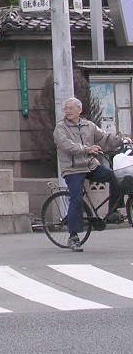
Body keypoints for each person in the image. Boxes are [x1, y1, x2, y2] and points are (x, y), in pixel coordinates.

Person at [53, 96, 129, 251]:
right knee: (76, 199)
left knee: (114, 177)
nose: (67, 111)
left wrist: (122, 140)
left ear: (79, 110)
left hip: (91, 166)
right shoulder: (61, 128)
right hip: (73, 169)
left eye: (71, 108)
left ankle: (112, 211)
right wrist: (87, 149)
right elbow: (67, 145)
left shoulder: (89, 125)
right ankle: (73, 236)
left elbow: (104, 138)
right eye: (66, 108)